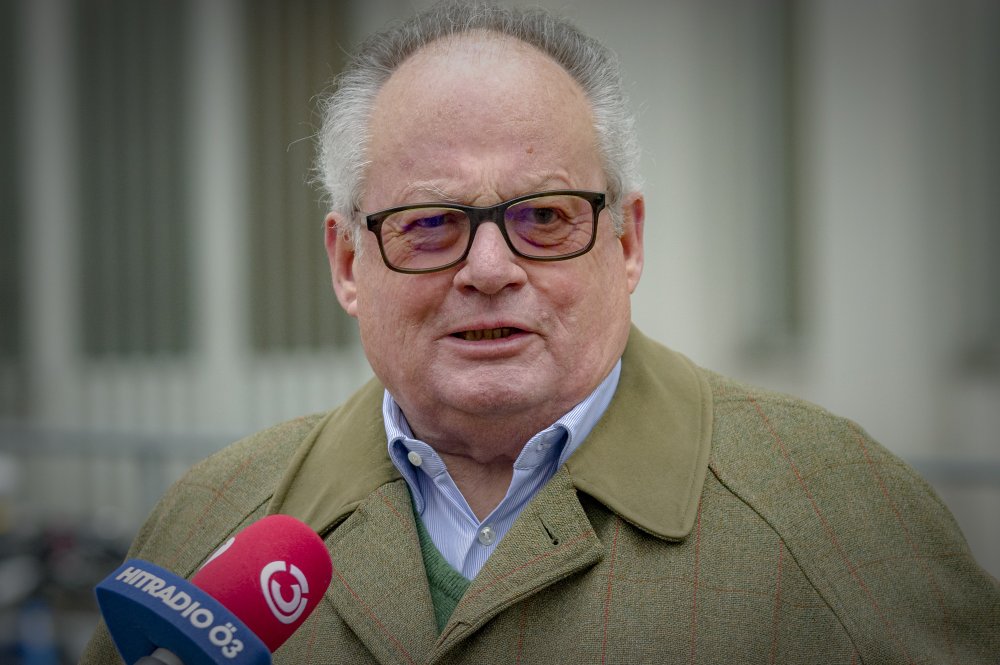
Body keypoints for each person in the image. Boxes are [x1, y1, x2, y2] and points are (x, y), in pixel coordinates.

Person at [83, 2, 999, 663]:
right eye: (429, 223)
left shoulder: (843, 514)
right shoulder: (207, 520)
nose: (488, 269)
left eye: (546, 216)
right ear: (346, 261)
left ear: (627, 242)